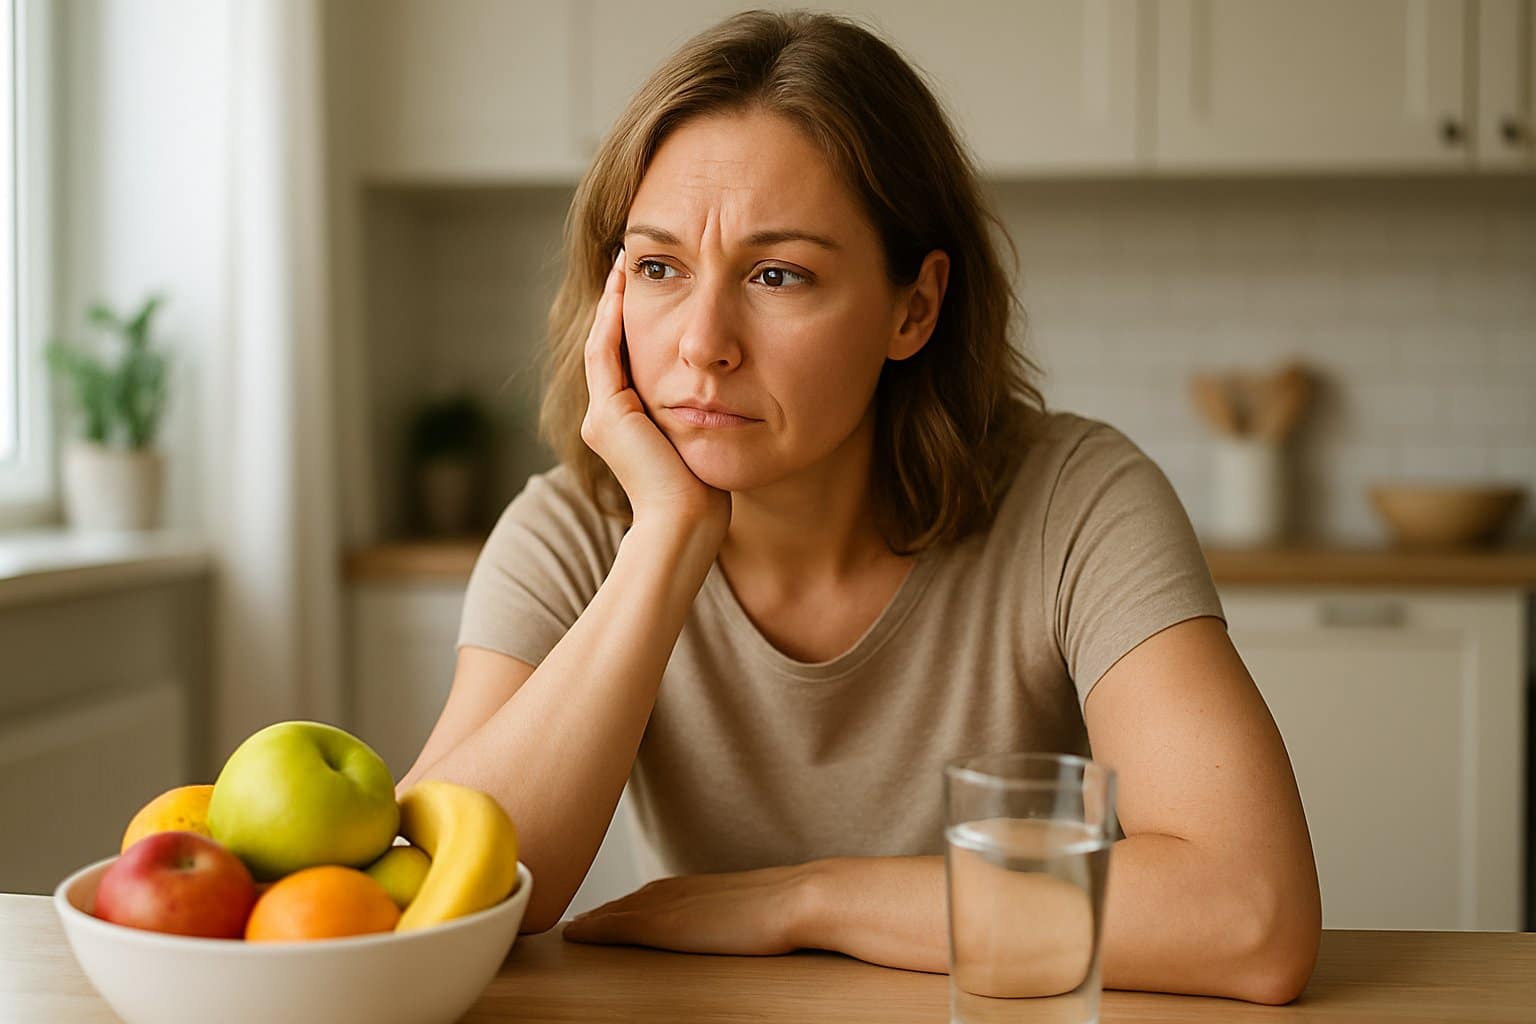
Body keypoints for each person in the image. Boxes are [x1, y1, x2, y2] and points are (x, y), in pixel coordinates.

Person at [396, 8, 1321, 1005]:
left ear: (913, 308)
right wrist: (665, 539)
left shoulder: (1077, 502)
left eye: (777, 273)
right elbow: (432, 896)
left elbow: (1250, 915)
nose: (703, 342)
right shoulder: (572, 532)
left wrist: (806, 900)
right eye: (659, 267)